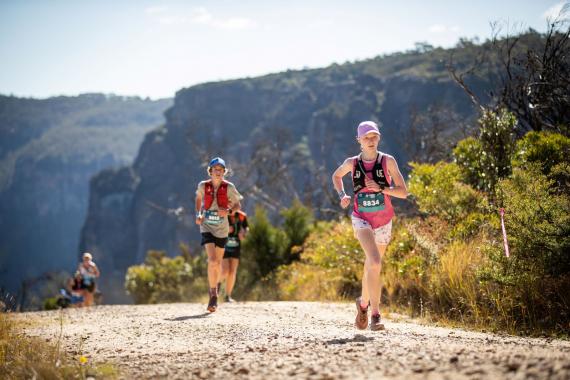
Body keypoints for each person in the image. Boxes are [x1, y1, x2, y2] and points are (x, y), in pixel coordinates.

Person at [331, 121, 408, 331]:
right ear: (359, 141)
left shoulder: (387, 161)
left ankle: (363, 305)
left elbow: (403, 192)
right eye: (366, 137)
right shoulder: (352, 163)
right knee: (374, 262)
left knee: (371, 267)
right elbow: (336, 176)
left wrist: (382, 188)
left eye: (374, 136)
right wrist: (342, 194)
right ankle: (375, 315)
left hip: (384, 221)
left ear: (379, 138)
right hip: (361, 218)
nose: (370, 140)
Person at [195, 157, 242, 312]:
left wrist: (228, 211)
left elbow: (237, 204)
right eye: (215, 170)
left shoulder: (229, 187)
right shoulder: (203, 185)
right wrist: (199, 214)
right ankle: (213, 294)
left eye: (221, 170)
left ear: (224, 172)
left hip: (222, 229)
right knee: (213, 261)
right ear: (210, 171)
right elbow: (199, 198)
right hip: (207, 226)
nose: (218, 172)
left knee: (218, 262)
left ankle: (216, 291)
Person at [219, 210, 249, 302]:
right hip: (223, 246)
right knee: (225, 270)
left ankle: (227, 296)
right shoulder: (222, 214)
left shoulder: (242, 216)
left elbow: (246, 227)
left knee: (232, 271)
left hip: (236, 246)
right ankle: (216, 285)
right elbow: (215, 228)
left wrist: (244, 233)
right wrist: (225, 230)